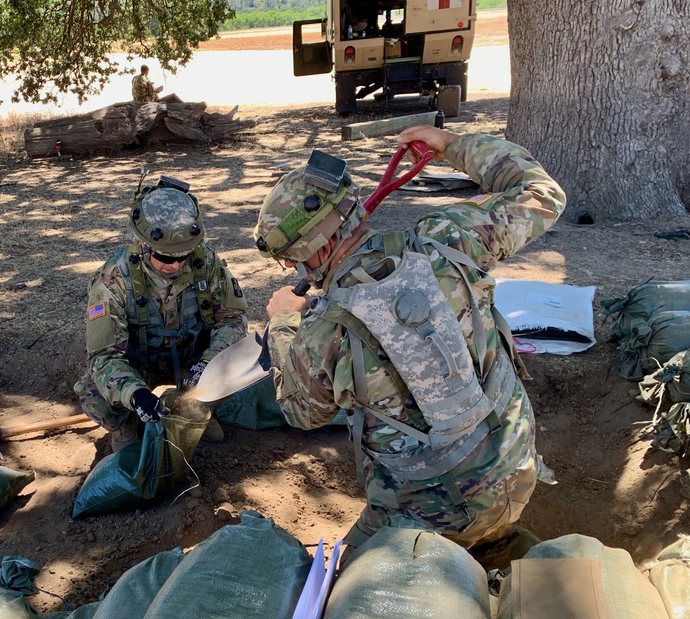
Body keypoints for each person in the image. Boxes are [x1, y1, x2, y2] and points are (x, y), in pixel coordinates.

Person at [253, 125, 567, 567]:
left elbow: (301, 412)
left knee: (336, 589)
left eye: (289, 258)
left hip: (427, 519)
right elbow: (541, 193)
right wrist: (454, 146)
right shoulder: (446, 239)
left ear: (308, 253)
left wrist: (283, 323)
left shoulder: (322, 333)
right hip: (516, 473)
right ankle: (501, 541)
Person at [74, 175, 249, 453]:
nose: (175, 264)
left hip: (191, 361)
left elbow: (233, 321)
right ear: (144, 245)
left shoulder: (208, 264)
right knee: (93, 392)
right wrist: (136, 394)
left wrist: (207, 362)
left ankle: (196, 410)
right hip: (139, 364)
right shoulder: (113, 279)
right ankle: (126, 424)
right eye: (166, 258)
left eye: (184, 256)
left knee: (240, 361)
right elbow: (103, 356)